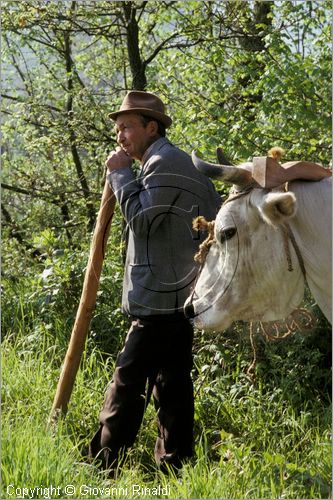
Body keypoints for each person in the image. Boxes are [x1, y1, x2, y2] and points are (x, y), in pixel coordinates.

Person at [89, 90, 220, 473]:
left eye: (127, 127)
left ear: (151, 127)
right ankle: (176, 468)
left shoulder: (165, 162)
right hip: (177, 298)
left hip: (162, 301)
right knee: (173, 386)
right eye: (118, 129)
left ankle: (99, 468)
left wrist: (118, 173)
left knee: (127, 384)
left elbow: (143, 222)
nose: (120, 136)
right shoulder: (167, 162)